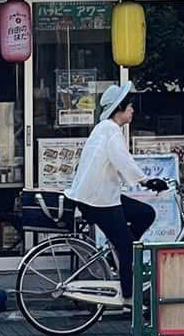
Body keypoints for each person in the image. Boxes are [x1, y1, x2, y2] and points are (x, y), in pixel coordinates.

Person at [66, 81, 162, 307]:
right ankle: (129, 296)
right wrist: (146, 181)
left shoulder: (104, 129)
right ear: (119, 109)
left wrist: (143, 181)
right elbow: (123, 161)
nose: (133, 110)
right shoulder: (110, 131)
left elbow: (119, 163)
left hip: (99, 195)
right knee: (127, 244)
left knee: (145, 213)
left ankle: (115, 254)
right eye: (130, 106)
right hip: (98, 200)